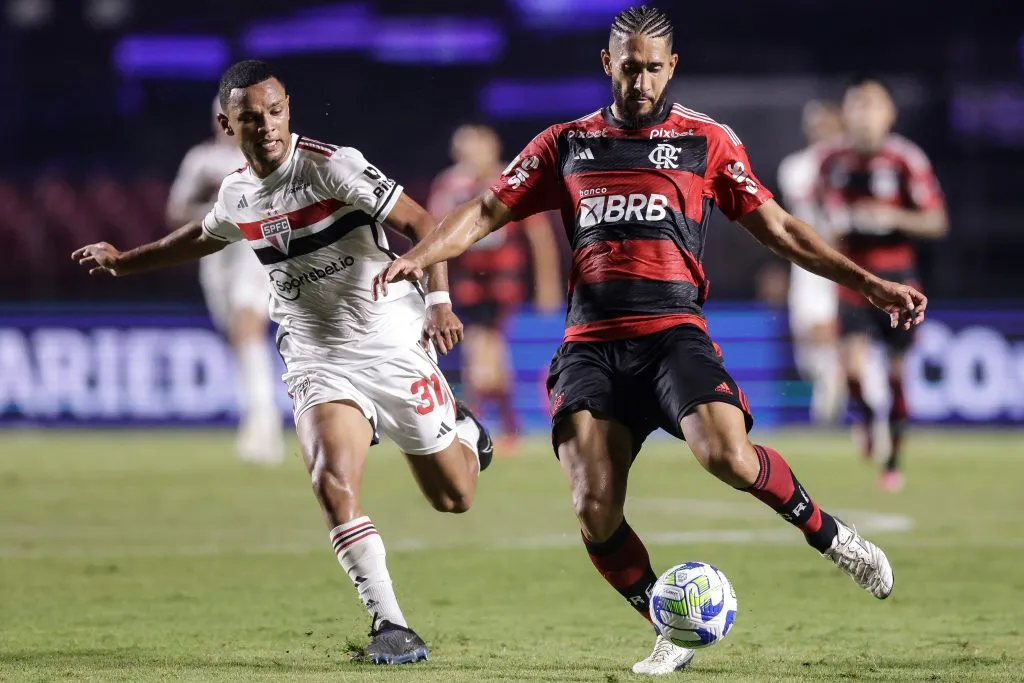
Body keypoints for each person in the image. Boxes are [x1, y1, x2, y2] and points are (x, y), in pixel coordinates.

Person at [373, 6, 924, 675]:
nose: (640, 82)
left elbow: (781, 229)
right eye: (629, 67)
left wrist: (866, 282)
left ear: (672, 68)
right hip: (591, 345)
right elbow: (486, 211)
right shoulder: (565, 143)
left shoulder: (705, 142)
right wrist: (421, 253)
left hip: (672, 333)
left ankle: (834, 538)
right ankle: (666, 624)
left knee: (727, 454)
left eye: (653, 69)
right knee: (593, 506)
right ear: (608, 64)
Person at [72, 60, 493, 665]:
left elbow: (424, 223)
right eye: (251, 117)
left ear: (287, 109)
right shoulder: (237, 193)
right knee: (331, 481)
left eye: (274, 112)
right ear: (227, 124)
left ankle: (462, 429)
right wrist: (123, 259)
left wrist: (439, 301)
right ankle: (391, 624)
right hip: (316, 355)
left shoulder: (331, 165)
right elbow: (198, 236)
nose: (266, 125)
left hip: (390, 342)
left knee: (454, 499)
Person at [817, 78, 948, 492]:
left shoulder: (906, 160)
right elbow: (821, 211)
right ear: (847, 113)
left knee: (896, 374)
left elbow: (936, 221)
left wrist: (893, 219)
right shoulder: (831, 160)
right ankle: (868, 421)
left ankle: (893, 461)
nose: (865, 114)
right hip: (853, 279)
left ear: (889, 114)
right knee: (852, 367)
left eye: (873, 105)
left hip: (898, 280)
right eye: (857, 105)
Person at [427, 124, 563, 450]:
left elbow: (538, 235)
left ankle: (471, 424)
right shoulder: (448, 185)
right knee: (490, 356)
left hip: (501, 284)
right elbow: (434, 236)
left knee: (481, 352)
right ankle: (508, 426)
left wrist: (548, 284)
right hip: (467, 284)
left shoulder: (510, 179)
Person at [166, 98, 284, 465]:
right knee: (235, 334)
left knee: (248, 324)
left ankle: (264, 424)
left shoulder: (268, 157)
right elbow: (176, 212)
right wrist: (215, 213)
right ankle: (257, 414)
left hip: (253, 251)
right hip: (214, 255)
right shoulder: (201, 160)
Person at [777, 100, 847, 425]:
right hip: (805, 263)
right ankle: (830, 393)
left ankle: (830, 411)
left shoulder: (849, 165)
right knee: (807, 349)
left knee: (830, 333)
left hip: (841, 261)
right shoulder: (795, 166)